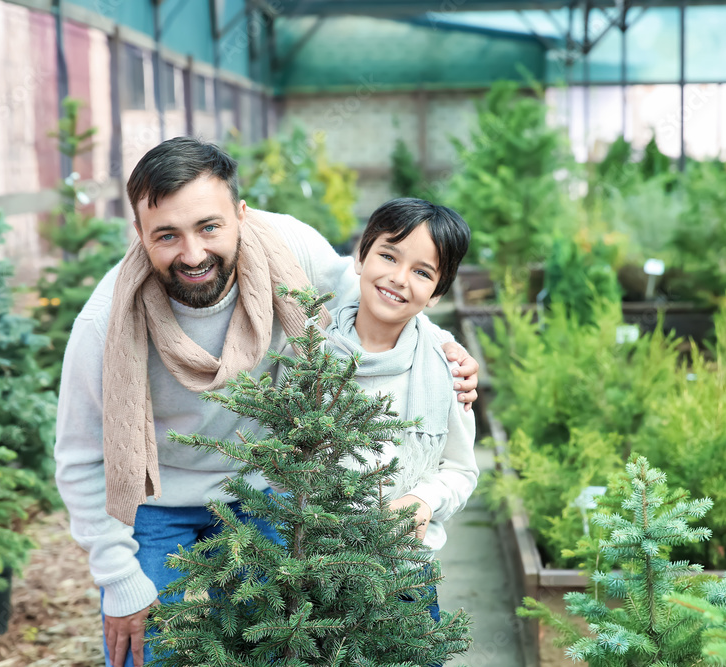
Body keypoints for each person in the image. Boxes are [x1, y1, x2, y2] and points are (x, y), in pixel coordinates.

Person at [53, 137, 479, 667]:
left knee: (279, 648)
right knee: (143, 650)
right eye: (167, 234)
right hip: (157, 501)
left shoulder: (288, 248)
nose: (192, 254)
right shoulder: (104, 323)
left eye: (209, 227)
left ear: (241, 215)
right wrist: (117, 578)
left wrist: (439, 344)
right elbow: (80, 455)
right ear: (138, 234)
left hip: (264, 488)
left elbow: (367, 290)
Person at [323, 198, 479, 628]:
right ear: (360, 256)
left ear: (438, 293)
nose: (398, 278)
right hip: (308, 571)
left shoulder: (448, 370)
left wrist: (423, 499)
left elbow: (462, 471)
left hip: (404, 576)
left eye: (422, 272)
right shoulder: (309, 351)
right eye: (388, 255)